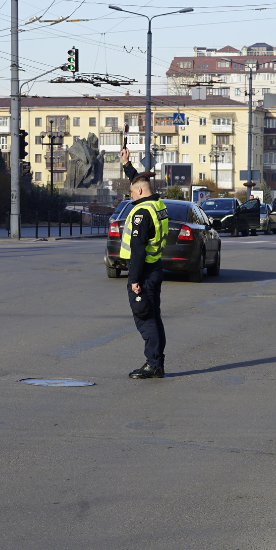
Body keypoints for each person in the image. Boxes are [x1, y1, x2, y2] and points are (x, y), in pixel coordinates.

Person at [119, 148, 170, 379]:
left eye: (131, 192)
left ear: (139, 191)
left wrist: (133, 280)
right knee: (154, 317)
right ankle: (157, 363)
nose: (130, 195)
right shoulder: (157, 204)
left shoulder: (141, 213)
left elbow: (138, 249)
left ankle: (153, 364)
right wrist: (127, 165)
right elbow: (139, 182)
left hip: (144, 272)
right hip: (155, 268)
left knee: (145, 319)